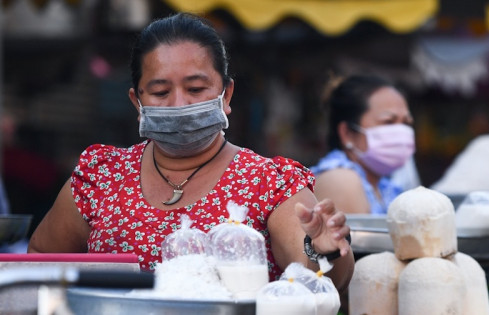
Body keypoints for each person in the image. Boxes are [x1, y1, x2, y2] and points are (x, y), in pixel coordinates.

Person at [27, 13, 354, 291]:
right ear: (136, 102)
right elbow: (40, 261)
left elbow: (316, 271)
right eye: (160, 91)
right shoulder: (101, 177)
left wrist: (323, 249)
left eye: (196, 89)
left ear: (226, 95)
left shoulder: (268, 182)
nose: (179, 103)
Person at [310, 74, 417, 215]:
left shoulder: (383, 187)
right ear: (348, 133)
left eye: (406, 123)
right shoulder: (341, 179)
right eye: (388, 122)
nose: (401, 131)